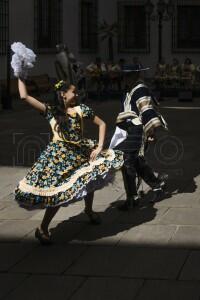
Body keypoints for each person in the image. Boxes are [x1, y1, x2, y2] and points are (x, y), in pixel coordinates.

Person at [15, 78, 123, 244]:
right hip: (59, 159)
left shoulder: (81, 109)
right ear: (63, 94)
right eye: (74, 91)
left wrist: (100, 146)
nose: (77, 94)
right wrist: (20, 73)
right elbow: (24, 96)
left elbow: (102, 124)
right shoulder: (50, 111)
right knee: (57, 193)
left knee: (89, 180)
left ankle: (88, 210)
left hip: (81, 153)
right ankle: (43, 228)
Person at [110, 64, 167, 210]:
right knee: (134, 161)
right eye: (124, 75)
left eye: (128, 75)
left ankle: (133, 198)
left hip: (137, 129)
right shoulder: (129, 89)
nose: (125, 78)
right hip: (129, 129)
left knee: (127, 161)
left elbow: (146, 109)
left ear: (136, 75)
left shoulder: (140, 88)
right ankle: (156, 187)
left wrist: (151, 132)